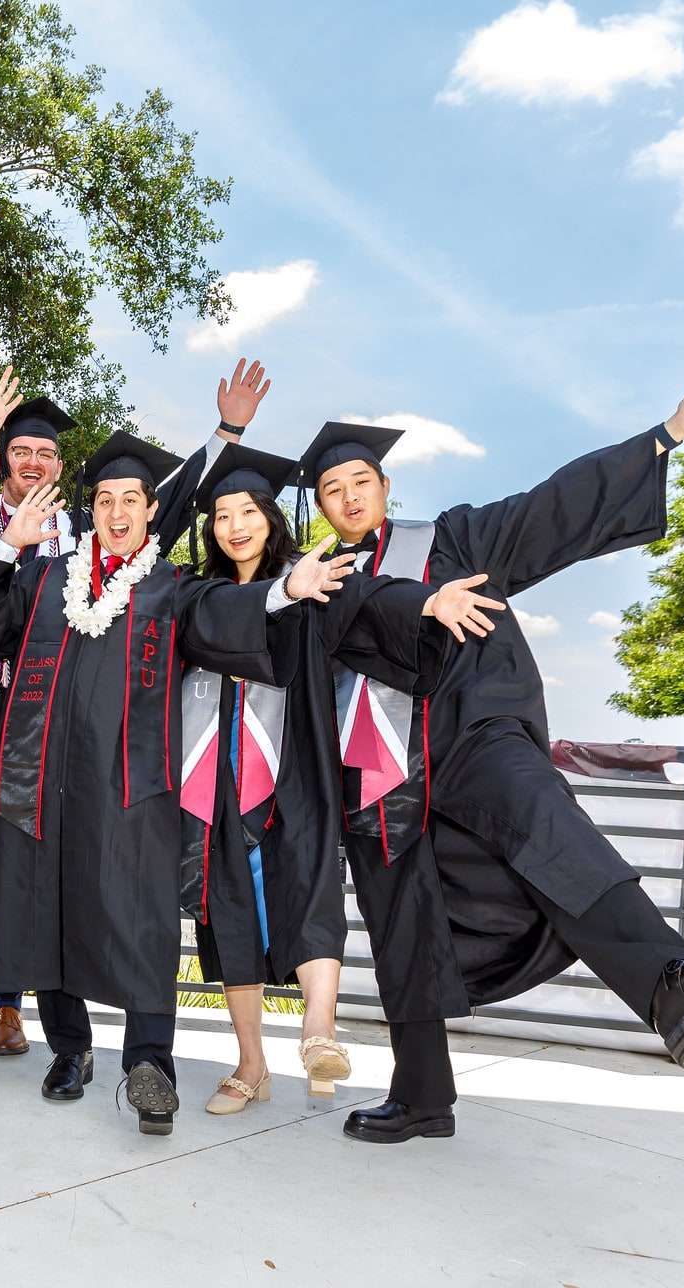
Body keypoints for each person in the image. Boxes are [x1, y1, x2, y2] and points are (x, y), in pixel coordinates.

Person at [299, 370, 684, 1145]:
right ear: (319, 506)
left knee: (542, 819)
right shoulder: (317, 584)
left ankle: (672, 989)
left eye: (361, 480)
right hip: (379, 779)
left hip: (470, 737)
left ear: (386, 486)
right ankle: (422, 1098)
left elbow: (549, 509)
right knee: (402, 929)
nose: (350, 496)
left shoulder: (449, 541)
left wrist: (668, 435)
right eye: (332, 489)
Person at [0, 431, 354, 1136]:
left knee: (141, 924)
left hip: (136, 791)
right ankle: (70, 1051)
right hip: (42, 785)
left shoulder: (171, 587)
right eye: (104, 499)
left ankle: (150, 1062)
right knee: (50, 914)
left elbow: (226, 617)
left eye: (130, 498)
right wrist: (8, 545)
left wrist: (287, 587)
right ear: (91, 512)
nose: (116, 509)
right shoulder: (44, 580)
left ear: (148, 510)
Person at [0, 355, 273, 1052]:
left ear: (61, 468)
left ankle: (6, 1008)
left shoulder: (92, 530)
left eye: (45, 453)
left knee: (31, 860)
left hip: (52, 732)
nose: (31, 462)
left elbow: (162, 506)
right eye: (19, 450)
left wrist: (226, 431)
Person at [180, 443, 492, 1114]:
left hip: (300, 766)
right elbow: (201, 630)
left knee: (312, 886)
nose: (236, 526)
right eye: (223, 515)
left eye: (249, 512)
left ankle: (319, 1032)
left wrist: (428, 603)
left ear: (272, 518)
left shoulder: (319, 574)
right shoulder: (196, 589)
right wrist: (277, 595)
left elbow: (372, 601)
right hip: (219, 773)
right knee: (229, 913)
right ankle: (251, 1067)